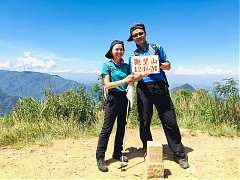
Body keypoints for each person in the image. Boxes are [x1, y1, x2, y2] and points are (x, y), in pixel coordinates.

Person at [127, 23, 189, 169]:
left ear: (145, 33)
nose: (138, 36)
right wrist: (140, 75)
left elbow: (168, 65)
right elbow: (133, 77)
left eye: (140, 33)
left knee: (170, 120)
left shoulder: (157, 47)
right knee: (144, 121)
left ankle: (179, 154)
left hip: (160, 86)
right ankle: (149, 149)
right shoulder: (133, 56)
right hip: (143, 89)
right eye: (135, 35)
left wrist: (158, 64)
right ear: (133, 39)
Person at [96, 40, 134, 172]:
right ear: (111, 51)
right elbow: (107, 85)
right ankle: (100, 157)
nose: (119, 51)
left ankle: (117, 153)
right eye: (116, 49)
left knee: (121, 127)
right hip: (112, 98)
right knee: (107, 128)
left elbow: (133, 79)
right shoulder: (107, 65)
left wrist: (145, 73)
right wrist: (124, 80)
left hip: (124, 98)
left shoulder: (126, 66)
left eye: (121, 49)